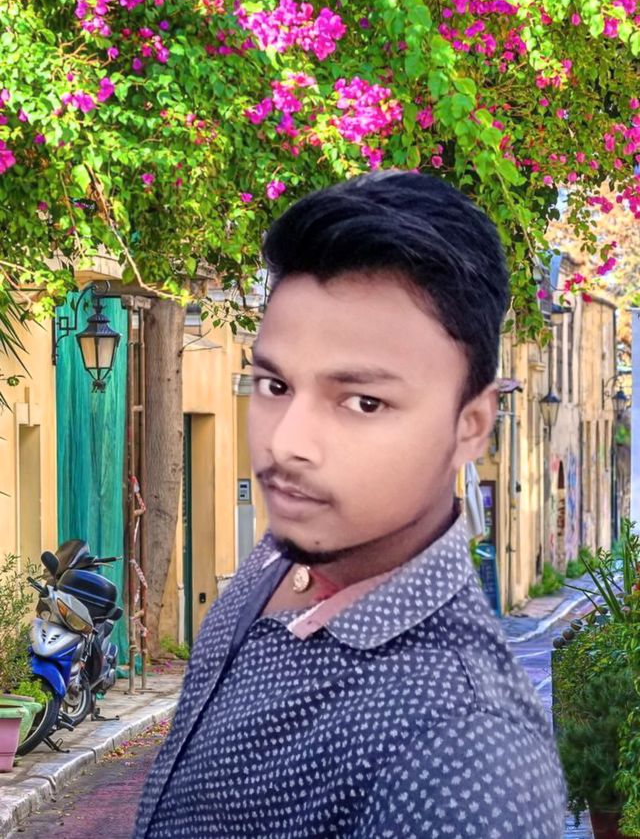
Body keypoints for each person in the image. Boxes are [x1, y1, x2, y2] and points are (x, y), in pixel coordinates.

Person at [134, 171, 567, 839]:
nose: (289, 442)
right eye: (276, 384)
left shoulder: (466, 757)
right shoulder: (283, 557)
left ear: (470, 425)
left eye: (363, 402)